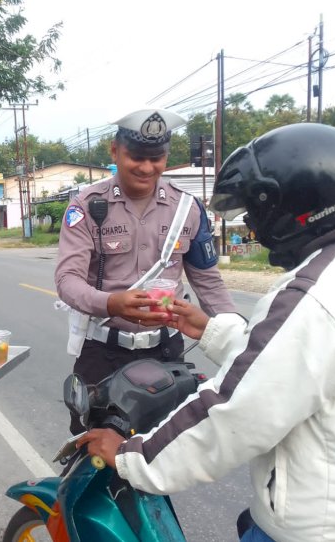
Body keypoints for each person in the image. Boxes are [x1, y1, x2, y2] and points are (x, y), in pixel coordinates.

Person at [78, 123, 335, 542]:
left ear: (293, 207)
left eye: (256, 208)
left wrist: (129, 457)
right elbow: (299, 363)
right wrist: (212, 330)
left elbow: (236, 410)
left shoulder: (316, 296)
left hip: (322, 527)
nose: (251, 221)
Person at [54, 108, 235, 434]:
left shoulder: (187, 208)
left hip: (166, 352)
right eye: (136, 157)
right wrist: (112, 303)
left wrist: (241, 340)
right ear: (115, 151)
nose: (147, 167)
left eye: (157, 158)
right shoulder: (86, 205)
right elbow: (67, 280)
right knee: (92, 449)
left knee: (164, 452)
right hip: (103, 353)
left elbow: (209, 284)